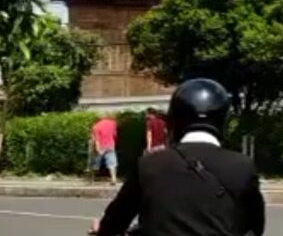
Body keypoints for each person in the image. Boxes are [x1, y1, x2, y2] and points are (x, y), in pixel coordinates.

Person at [93, 78, 265, 236]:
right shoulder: (242, 166)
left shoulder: (149, 164)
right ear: (223, 121)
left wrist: (101, 230)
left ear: (174, 121)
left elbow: (115, 221)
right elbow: (255, 227)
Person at [91, 114, 118, 186]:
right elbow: (115, 134)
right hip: (111, 145)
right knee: (112, 163)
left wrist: (96, 148)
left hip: (101, 147)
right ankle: (114, 178)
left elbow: (96, 139)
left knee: (96, 163)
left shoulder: (96, 126)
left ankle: (93, 179)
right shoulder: (113, 123)